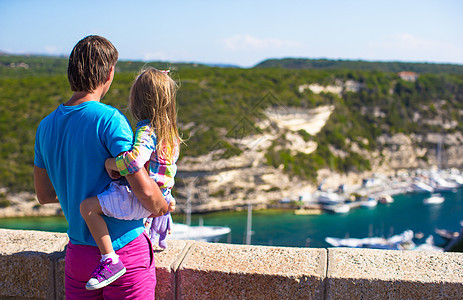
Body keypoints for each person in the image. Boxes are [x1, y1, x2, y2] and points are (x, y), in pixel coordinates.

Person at [34, 35, 167, 299]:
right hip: (124, 251)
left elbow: (45, 196)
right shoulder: (109, 119)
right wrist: (162, 206)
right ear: (109, 73)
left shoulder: (45, 126)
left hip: (79, 255)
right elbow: (145, 192)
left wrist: (75, 186)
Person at [80, 67, 181, 290]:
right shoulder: (171, 134)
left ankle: (109, 259)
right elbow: (167, 170)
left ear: (137, 100)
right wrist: (167, 197)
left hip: (140, 201)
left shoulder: (147, 130)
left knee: (87, 208)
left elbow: (134, 161)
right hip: (160, 197)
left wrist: (110, 163)